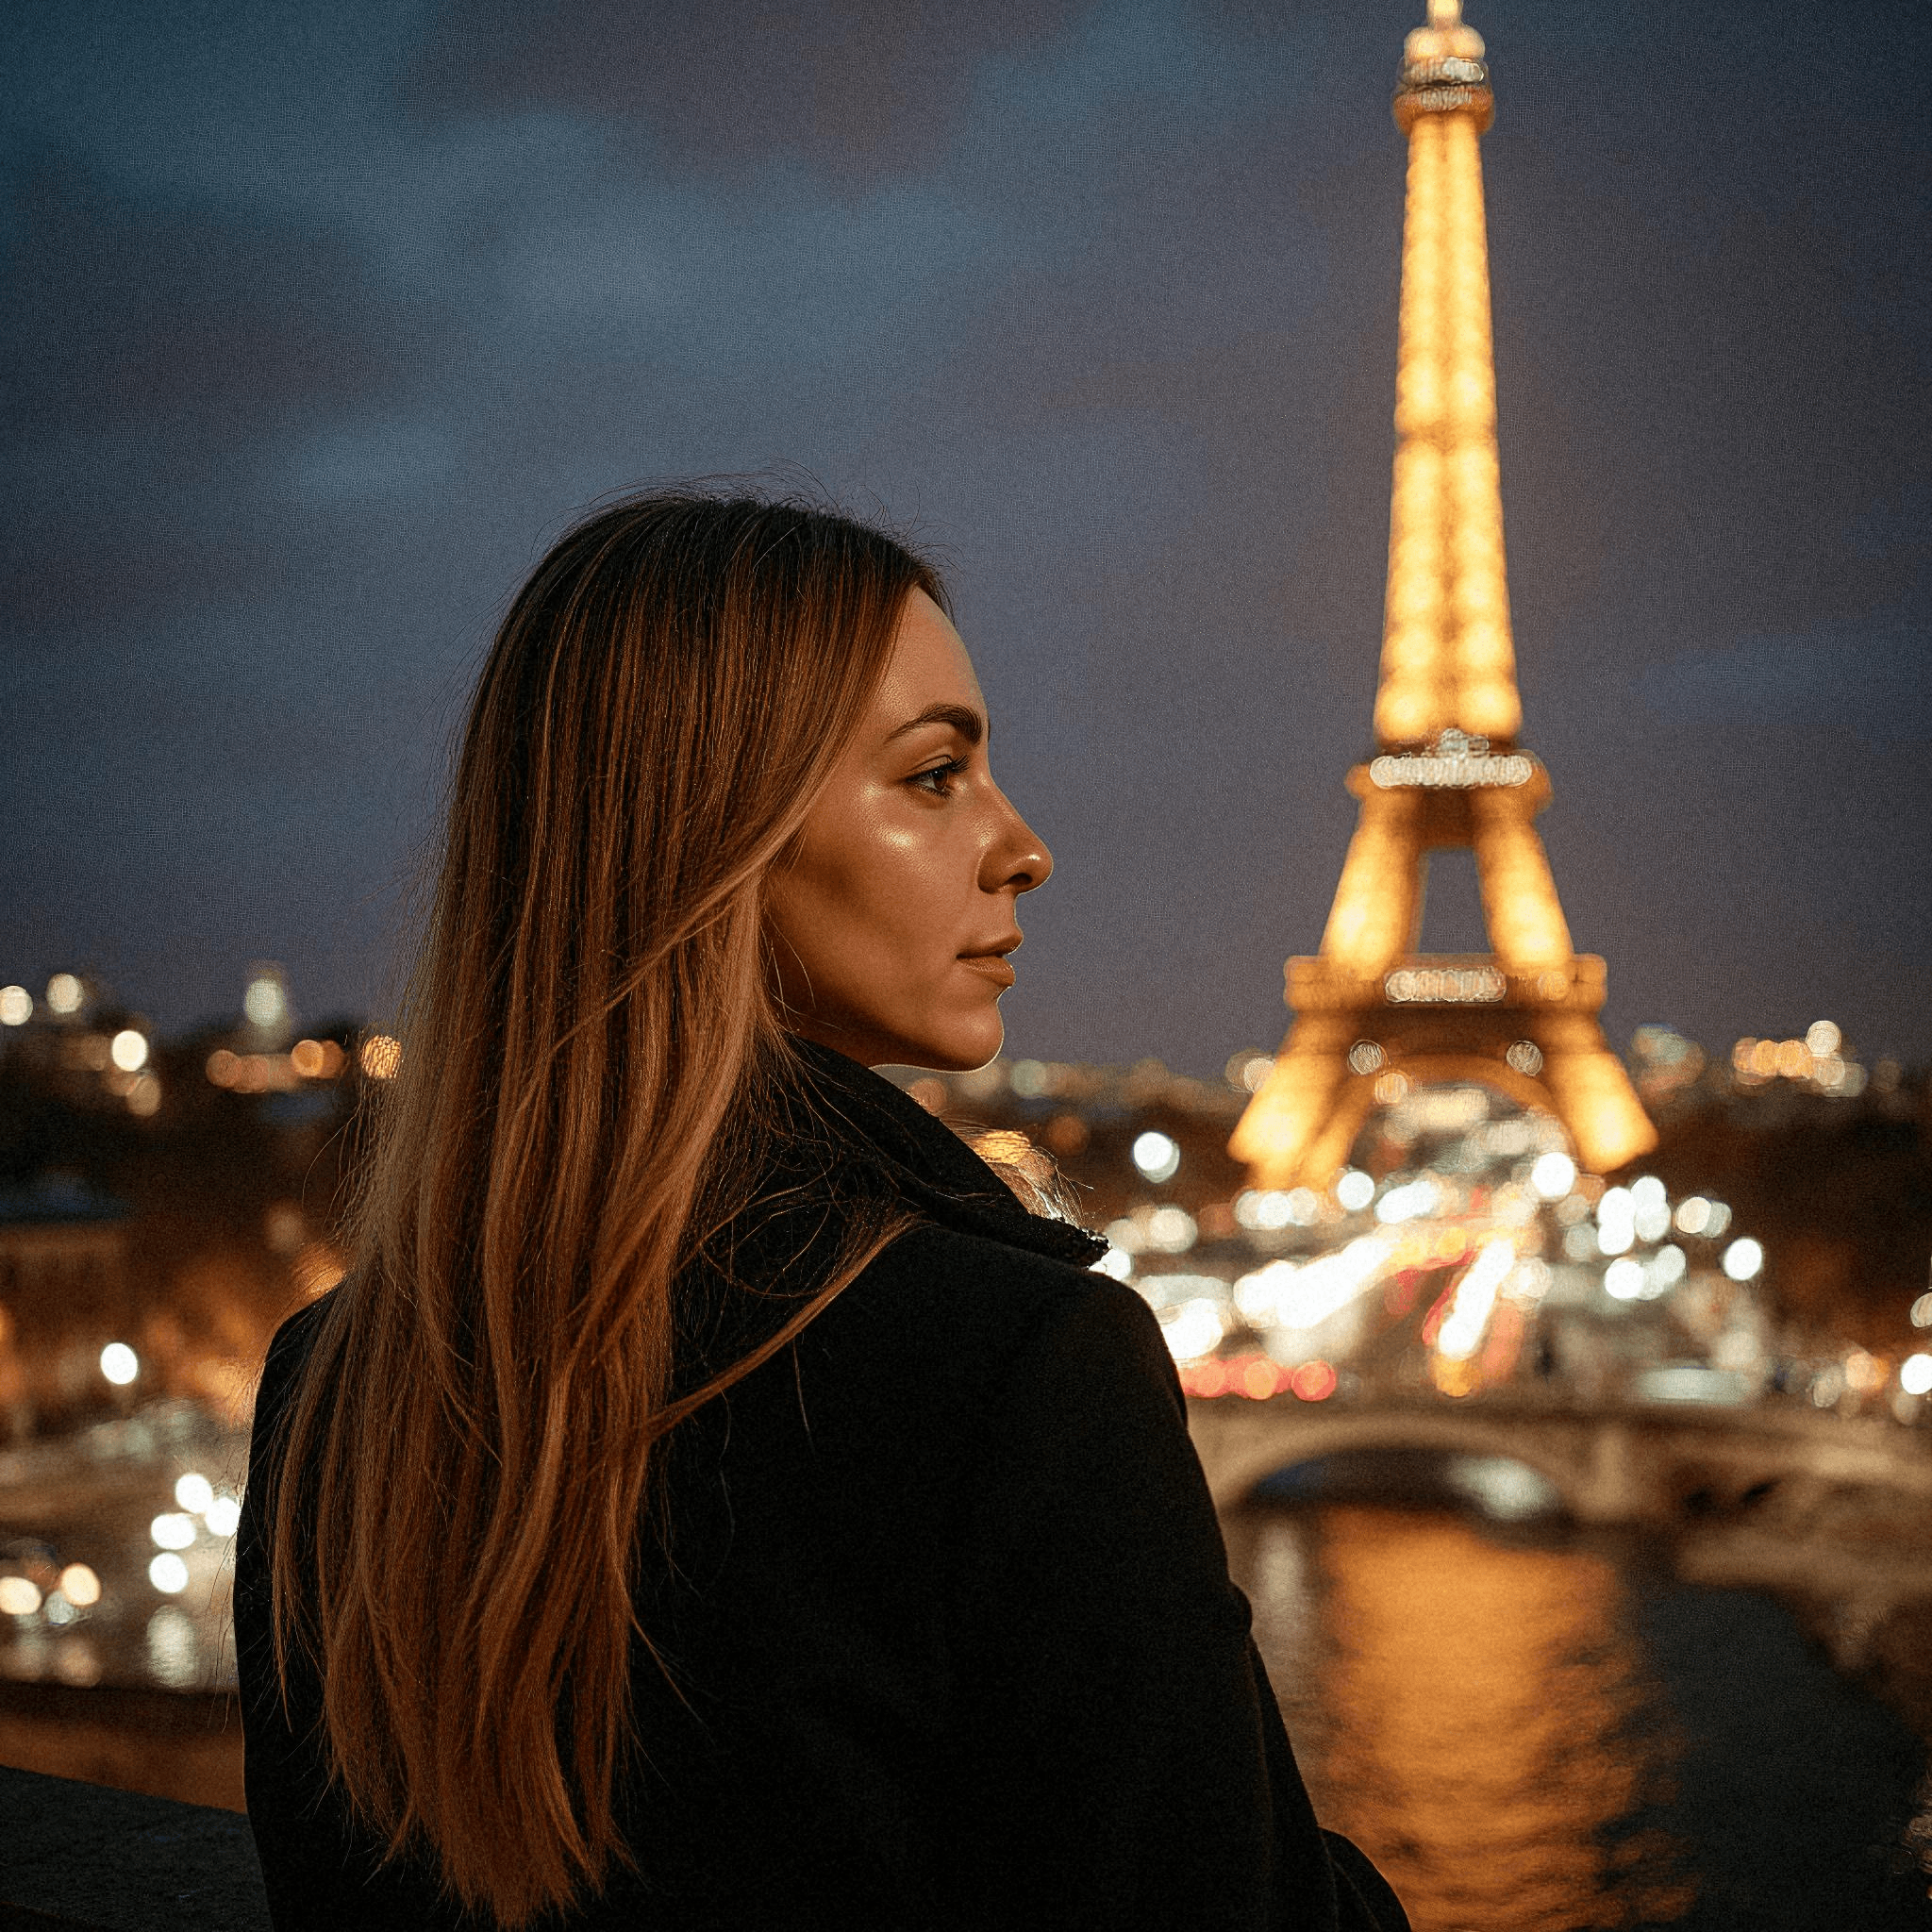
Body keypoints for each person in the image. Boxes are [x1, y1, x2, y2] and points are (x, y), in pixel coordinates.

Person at [235, 491, 1408, 1932]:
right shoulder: (1020, 1374)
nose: (1022, 845)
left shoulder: (331, 1386)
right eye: (934, 778)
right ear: (715, 838)